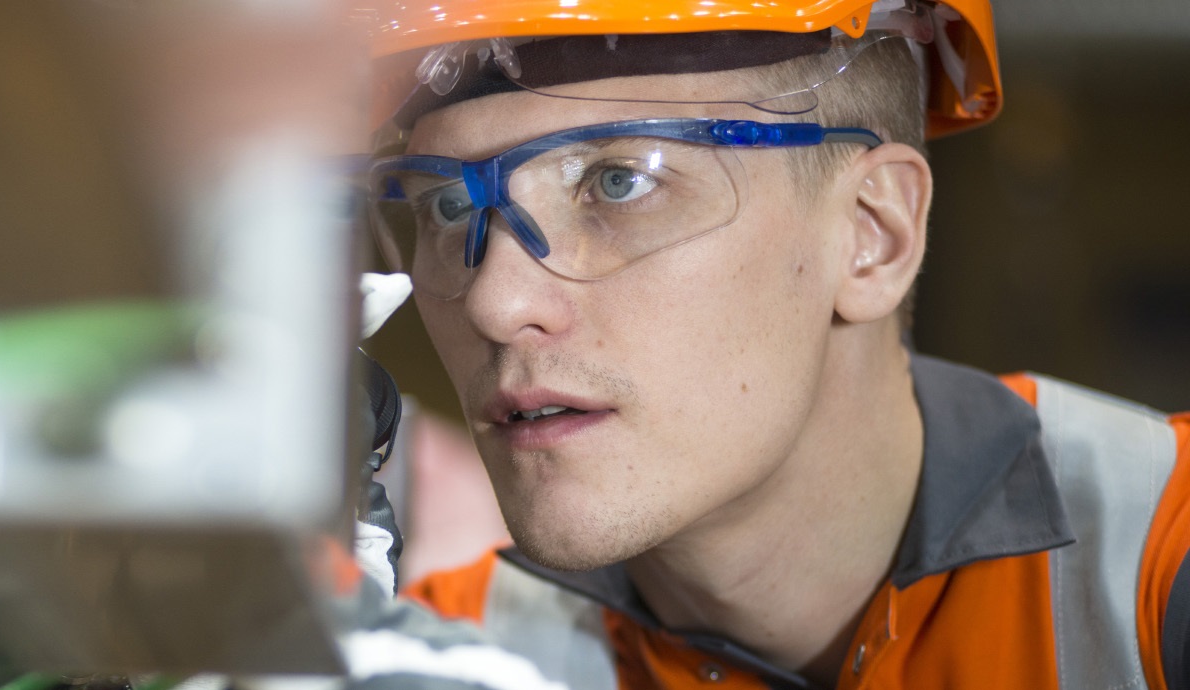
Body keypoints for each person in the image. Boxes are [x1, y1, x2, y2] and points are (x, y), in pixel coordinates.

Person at [353, 0, 1190, 687]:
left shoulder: (1161, 560)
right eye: (447, 207)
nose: (496, 302)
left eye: (620, 181)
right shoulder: (426, 652)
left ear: (874, 235)